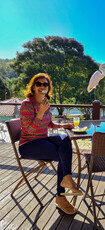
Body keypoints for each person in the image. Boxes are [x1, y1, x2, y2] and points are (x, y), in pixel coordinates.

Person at [19, 73, 82, 214]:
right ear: (33, 87)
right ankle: (61, 196)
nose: (42, 86)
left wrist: (64, 125)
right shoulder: (26, 104)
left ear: (48, 87)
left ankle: (66, 179)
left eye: (45, 84)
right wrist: (40, 112)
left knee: (66, 139)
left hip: (42, 139)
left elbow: (49, 124)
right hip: (28, 144)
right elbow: (29, 129)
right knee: (62, 154)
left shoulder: (46, 102)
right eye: (39, 84)